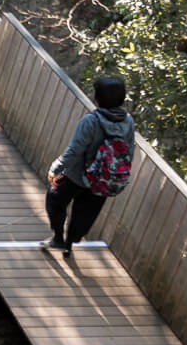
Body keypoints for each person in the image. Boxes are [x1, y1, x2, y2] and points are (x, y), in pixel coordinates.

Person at [41, 76, 136, 256]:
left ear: (97, 97)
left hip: (76, 175)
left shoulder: (91, 121)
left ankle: (58, 238)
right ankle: (69, 244)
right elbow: (129, 150)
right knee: (84, 214)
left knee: (55, 199)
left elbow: (74, 150)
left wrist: (56, 167)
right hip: (103, 179)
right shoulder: (128, 121)